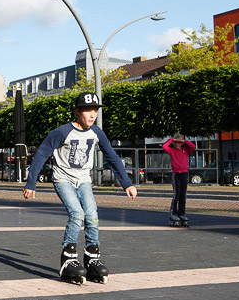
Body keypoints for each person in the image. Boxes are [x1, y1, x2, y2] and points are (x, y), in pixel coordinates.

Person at [23, 92, 138, 284]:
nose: (92, 115)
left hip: (84, 179)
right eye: (87, 111)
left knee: (92, 215)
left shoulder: (97, 132)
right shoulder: (61, 132)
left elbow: (111, 156)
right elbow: (42, 154)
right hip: (63, 179)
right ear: (77, 112)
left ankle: (92, 256)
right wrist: (31, 183)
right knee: (77, 214)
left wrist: (127, 183)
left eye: (95, 111)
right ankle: (68, 259)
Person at [162, 134, 196, 227]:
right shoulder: (172, 151)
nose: (177, 144)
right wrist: (172, 139)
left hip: (184, 173)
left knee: (183, 195)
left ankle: (182, 213)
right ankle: (173, 213)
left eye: (179, 143)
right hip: (176, 173)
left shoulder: (186, 150)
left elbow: (193, 146)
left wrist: (184, 141)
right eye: (175, 142)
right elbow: (164, 146)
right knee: (176, 195)